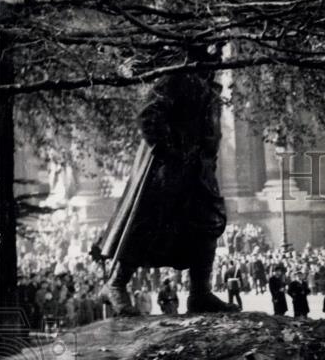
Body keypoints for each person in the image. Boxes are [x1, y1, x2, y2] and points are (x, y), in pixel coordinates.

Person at [93, 45, 238, 316]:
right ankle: (115, 284)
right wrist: (173, 150)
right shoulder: (177, 77)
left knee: (207, 224)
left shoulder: (208, 87)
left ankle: (200, 293)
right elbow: (149, 116)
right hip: (166, 172)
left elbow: (210, 132)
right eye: (212, 52)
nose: (217, 58)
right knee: (145, 224)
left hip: (198, 171)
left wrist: (205, 157)